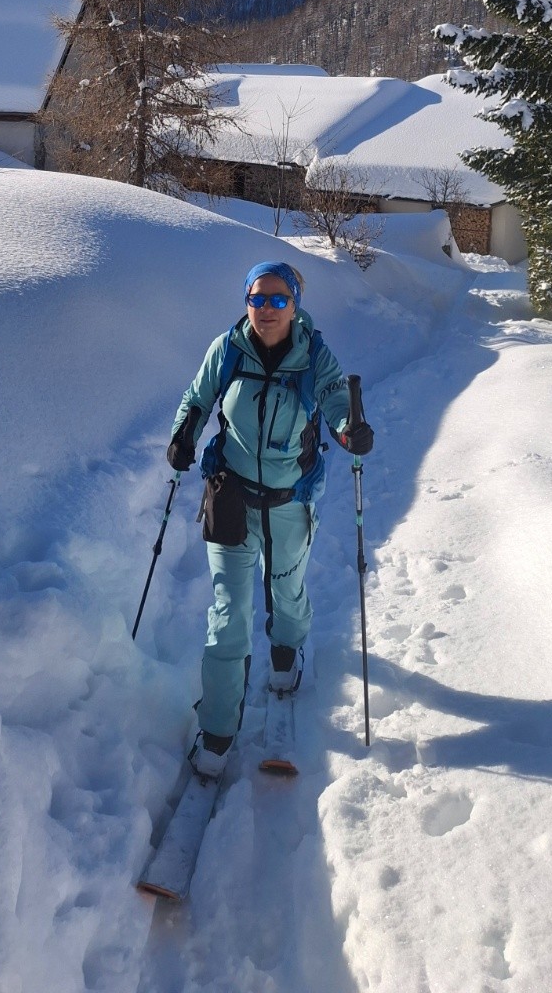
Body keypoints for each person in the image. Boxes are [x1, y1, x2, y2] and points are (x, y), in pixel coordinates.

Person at [166, 261, 373, 778]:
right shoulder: (228, 348)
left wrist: (350, 431)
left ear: (295, 304)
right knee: (228, 614)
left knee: (287, 591)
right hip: (232, 497)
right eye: (257, 299)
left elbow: (335, 403)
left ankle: (286, 653)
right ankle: (216, 733)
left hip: (288, 500)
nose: (266, 310)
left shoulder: (314, 356)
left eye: (278, 300)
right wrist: (183, 433)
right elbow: (198, 397)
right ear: (246, 302)